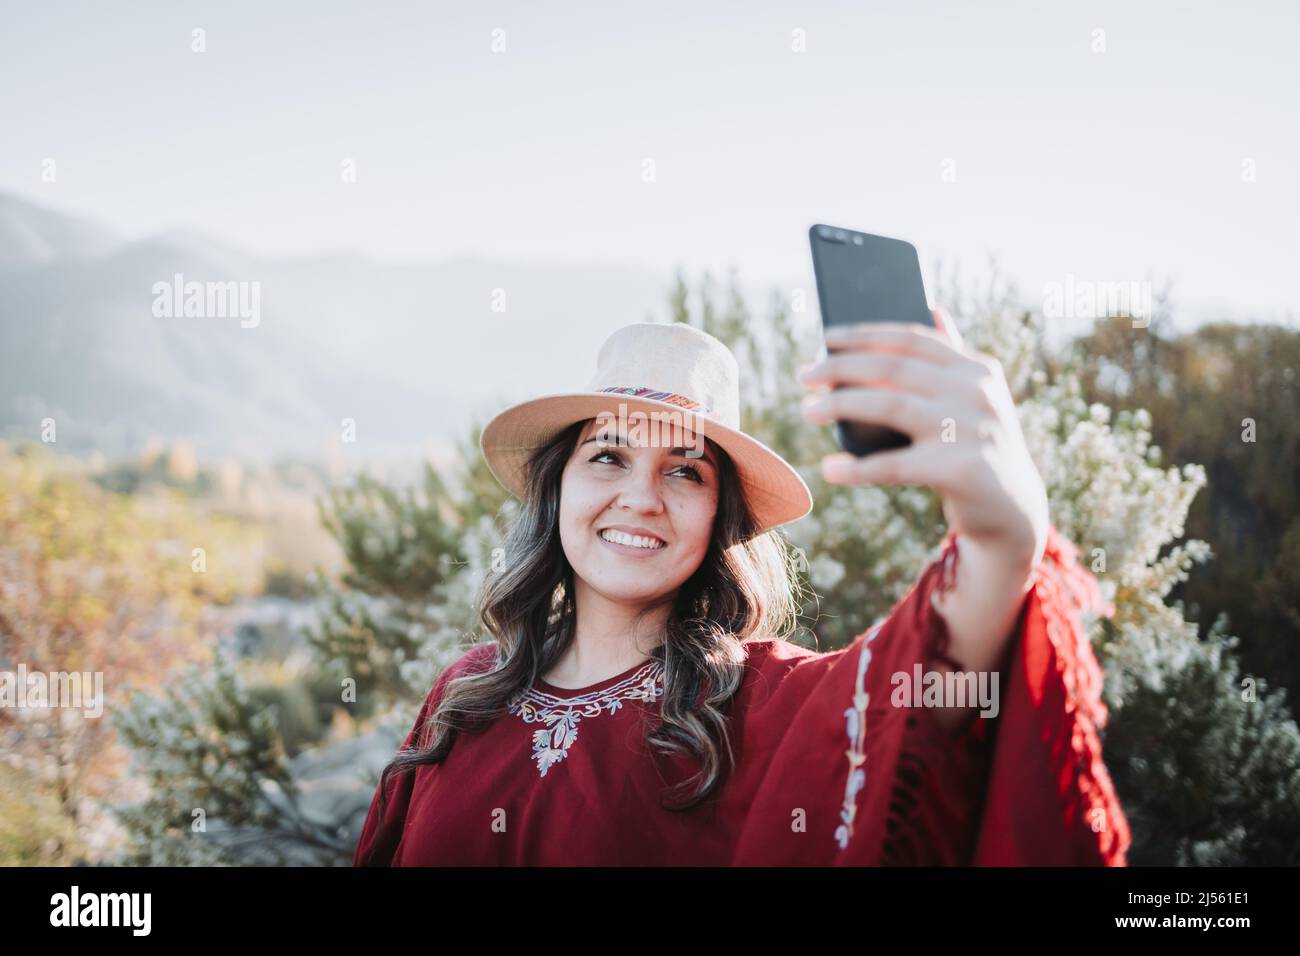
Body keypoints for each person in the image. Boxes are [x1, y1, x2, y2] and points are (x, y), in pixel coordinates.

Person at [353, 314, 1131, 866]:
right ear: (557, 489)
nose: (641, 498)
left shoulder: (768, 703)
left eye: (684, 471)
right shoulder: (465, 694)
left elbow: (923, 706)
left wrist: (1003, 539)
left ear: (720, 518)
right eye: (608, 458)